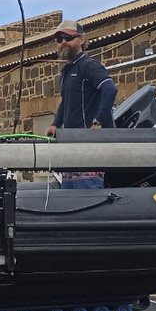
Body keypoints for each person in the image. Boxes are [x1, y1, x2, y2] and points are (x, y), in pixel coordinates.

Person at [47, 19, 117, 189]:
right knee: (70, 201)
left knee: (86, 198)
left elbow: (109, 89)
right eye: (59, 39)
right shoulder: (67, 71)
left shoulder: (88, 65)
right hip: (72, 148)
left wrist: (98, 122)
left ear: (81, 39)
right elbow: (67, 101)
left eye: (68, 38)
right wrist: (55, 124)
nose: (63, 42)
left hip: (90, 148)